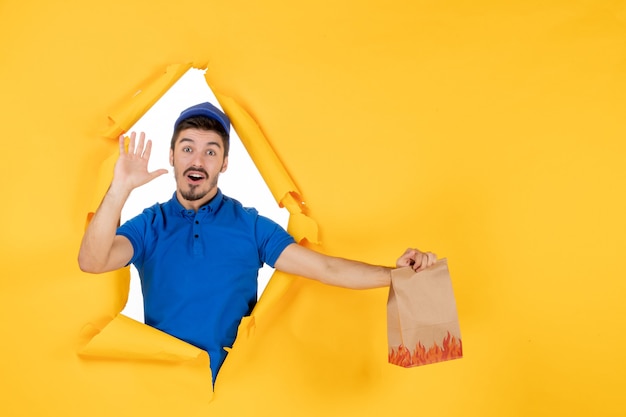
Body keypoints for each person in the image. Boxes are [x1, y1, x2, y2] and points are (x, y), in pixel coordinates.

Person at [78, 102, 437, 382]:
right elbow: (92, 261)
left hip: (238, 390)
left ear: (225, 163)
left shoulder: (250, 226)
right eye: (187, 149)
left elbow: (325, 268)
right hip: (166, 390)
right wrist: (120, 189)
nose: (197, 160)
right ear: (171, 157)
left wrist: (397, 275)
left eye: (211, 151)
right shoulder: (150, 225)